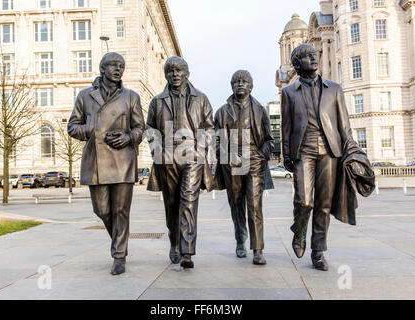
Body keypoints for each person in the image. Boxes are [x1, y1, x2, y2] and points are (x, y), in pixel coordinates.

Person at [68, 52, 145, 275]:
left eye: (121, 65)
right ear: (102, 69)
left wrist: (129, 137)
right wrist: (91, 129)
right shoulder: (85, 96)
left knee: (121, 210)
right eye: (113, 65)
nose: (118, 69)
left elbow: (140, 127)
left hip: (123, 160)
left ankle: (119, 255)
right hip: (96, 161)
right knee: (101, 209)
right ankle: (120, 242)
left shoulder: (131, 96)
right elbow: (72, 127)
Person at [280, 44, 353, 271]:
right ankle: (299, 231)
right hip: (304, 150)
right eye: (306, 56)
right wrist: (286, 156)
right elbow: (286, 127)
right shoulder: (289, 92)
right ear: (297, 63)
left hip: (330, 151)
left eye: (314, 55)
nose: (313, 58)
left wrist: (351, 150)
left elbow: (344, 126)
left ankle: (318, 252)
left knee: (323, 204)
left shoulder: (334, 89)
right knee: (304, 200)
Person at [146, 56, 215, 269]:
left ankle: (187, 251)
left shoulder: (200, 98)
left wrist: (199, 150)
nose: (175, 74)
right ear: (166, 74)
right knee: (172, 204)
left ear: (187, 73)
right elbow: (150, 128)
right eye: (171, 71)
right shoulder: (157, 101)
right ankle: (174, 243)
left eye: (179, 70)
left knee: (188, 201)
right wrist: (158, 149)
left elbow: (210, 127)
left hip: (192, 156)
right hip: (167, 157)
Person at [214, 70, 274, 265]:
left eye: (244, 81)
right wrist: (227, 154)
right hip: (232, 159)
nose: (240, 84)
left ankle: (258, 249)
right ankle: (240, 240)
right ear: (232, 86)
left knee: (254, 204)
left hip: (254, 158)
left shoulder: (260, 110)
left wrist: (261, 155)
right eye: (236, 81)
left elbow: (269, 141)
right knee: (236, 202)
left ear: (251, 86)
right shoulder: (222, 111)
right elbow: (216, 140)